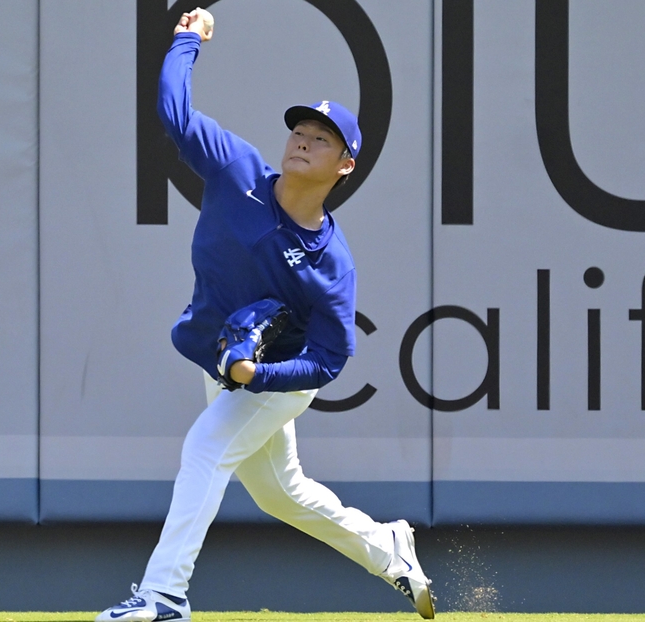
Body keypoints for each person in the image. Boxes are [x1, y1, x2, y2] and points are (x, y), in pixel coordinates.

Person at [96, 8, 434, 622]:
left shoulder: (331, 265)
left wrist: (262, 380)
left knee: (205, 449)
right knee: (281, 493)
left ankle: (164, 595)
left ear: (345, 165)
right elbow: (174, 111)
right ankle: (388, 548)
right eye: (301, 130)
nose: (304, 139)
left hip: (275, 375)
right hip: (223, 359)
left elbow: (330, 359)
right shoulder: (237, 172)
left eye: (322, 137)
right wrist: (185, 41)